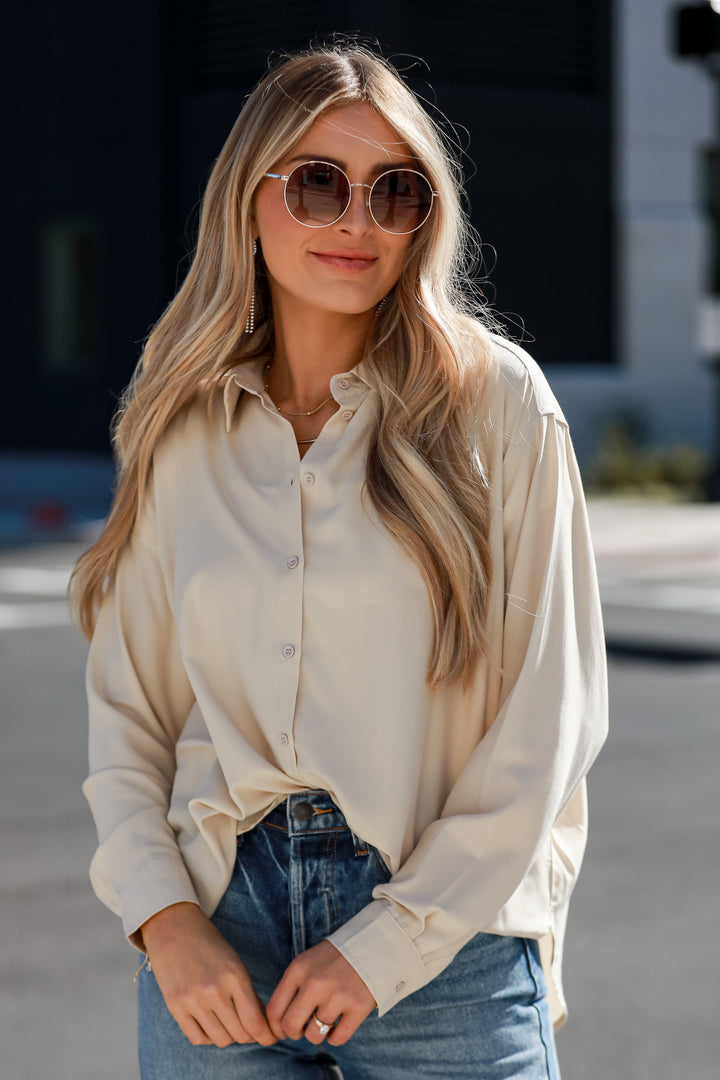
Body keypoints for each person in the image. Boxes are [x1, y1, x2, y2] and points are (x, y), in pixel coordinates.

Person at [71, 44, 608, 1080]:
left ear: (424, 216)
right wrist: (165, 923)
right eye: (318, 184)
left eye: (392, 191)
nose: (356, 220)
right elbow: (127, 716)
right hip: (219, 930)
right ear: (249, 199)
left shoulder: (496, 403)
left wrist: (388, 943)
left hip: (444, 941)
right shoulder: (184, 421)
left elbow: (549, 723)